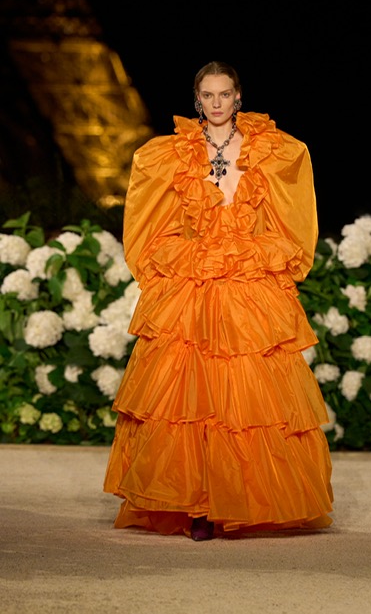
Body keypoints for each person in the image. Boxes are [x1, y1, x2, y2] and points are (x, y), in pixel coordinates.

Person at [103, 60, 334, 541]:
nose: (216, 103)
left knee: (247, 397)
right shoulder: (170, 153)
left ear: (238, 97)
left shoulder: (272, 149)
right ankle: (197, 506)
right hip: (196, 276)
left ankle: (244, 497)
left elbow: (291, 208)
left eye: (224, 94)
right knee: (190, 394)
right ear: (197, 99)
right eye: (207, 95)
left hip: (246, 277)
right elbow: (151, 217)